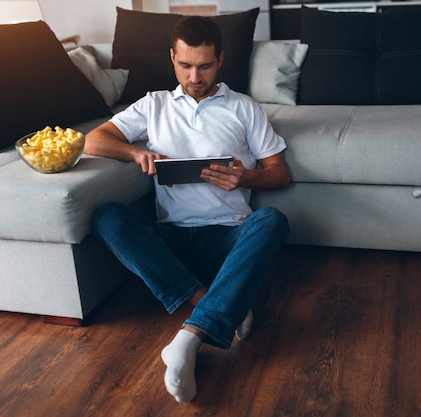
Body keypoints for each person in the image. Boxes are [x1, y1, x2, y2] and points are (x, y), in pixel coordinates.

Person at [84, 15, 291, 403]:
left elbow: (279, 173)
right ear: (173, 58)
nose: (194, 76)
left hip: (229, 235)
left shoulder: (244, 108)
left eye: (205, 66)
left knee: (272, 221)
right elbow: (94, 141)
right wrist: (137, 152)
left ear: (221, 60)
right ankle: (214, 302)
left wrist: (246, 178)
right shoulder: (153, 105)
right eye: (185, 65)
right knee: (107, 217)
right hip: (173, 238)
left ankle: (190, 337)